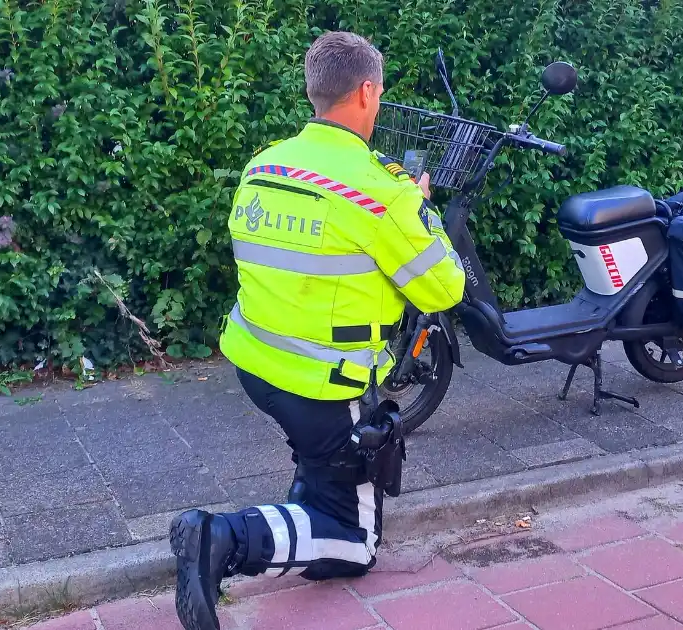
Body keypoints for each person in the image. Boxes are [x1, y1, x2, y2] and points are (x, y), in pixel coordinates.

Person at [167, 31, 466, 630]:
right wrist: (422, 208)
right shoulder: (381, 191)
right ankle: (220, 539)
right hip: (324, 384)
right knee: (354, 544)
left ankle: (307, 496)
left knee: (324, 467)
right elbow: (443, 287)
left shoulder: (264, 164)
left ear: (313, 91)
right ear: (365, 92)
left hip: (256, 361)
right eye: (378, 94)